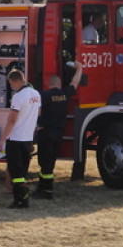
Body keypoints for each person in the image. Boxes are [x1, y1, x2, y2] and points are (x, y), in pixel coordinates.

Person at [34, 62, 84, 199]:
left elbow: (37, 113)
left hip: (45, 132)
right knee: (50, 163)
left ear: (49, 85)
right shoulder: (65, 94)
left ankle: (46, 191)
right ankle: (42, 188)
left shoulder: (43, 96)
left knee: (44, 163)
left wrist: (36, 126)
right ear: (59, 85)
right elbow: (74, 83)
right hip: (58, 134)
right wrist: (80, 69)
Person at [0, 69, 42, 209]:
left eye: (11, 84)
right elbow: (38, 113)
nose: (11, 87)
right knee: (22, 172)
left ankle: (19, 200)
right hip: (28, 139)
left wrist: (2, 140)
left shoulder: (18, 97)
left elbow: (12, 120)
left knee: (16, 172)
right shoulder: (36, 94)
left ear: (16, 81)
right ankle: (24, 199)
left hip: (15, 139)